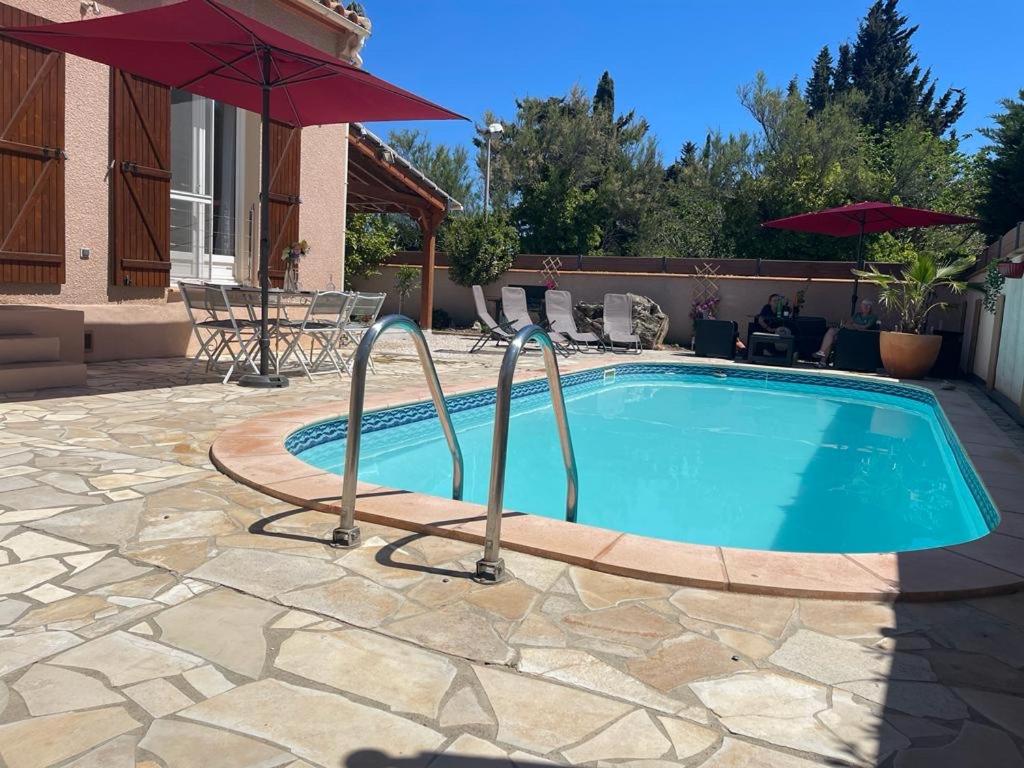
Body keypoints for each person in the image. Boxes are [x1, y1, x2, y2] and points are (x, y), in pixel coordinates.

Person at [814, 298, 880, 365]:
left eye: (867, 306)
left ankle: (822, 357)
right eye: (863, 306)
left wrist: (854, 325)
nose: (864, 308)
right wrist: (855, 326)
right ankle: (822, 357)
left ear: (870, 307)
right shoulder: (857, 315)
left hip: (858, 336)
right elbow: (847, 324)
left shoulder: (873, 317)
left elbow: (864, 327)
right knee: (831, 333)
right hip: (847, 333)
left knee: (832, 338)